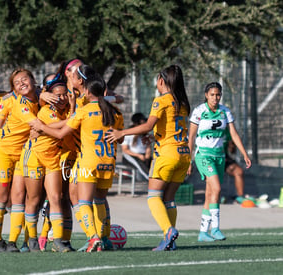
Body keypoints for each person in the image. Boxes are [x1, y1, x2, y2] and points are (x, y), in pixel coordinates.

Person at [30, 72, 124, 252]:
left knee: (84, 202)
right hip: (108, 162)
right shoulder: (115, 112)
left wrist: (41, 127)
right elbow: (119, 139)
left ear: (88, 91)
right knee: (101, 200)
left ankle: (93, 238)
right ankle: (104, 238)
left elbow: (60, 133)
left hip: (88, 163)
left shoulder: (83, 111)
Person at [106, 64, 191, 251]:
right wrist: (155, 137)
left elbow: (147, 125)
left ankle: (169, 231)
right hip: (183, 155)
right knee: (169, 198)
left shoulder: (161, 100)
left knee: (153, 197)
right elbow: (173, 128)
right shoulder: (182, 102)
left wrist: (122, 133)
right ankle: (171, 240)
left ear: (161, 80)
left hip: (167, 155)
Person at [187, 82, 251, 242]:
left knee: (210, 194)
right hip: (204, 156)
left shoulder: (225, 111)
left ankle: (203, 232)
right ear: (206, 95)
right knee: (217, 188)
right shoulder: (199, 111)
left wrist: (244, 154)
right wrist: (188, 159)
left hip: (219, 157)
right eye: (212, 94)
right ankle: (215, 228)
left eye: (218, 95)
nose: (215, 98)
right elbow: (191, 137)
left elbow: (234, 135)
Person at [0, 68, 39, 252]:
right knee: (1, 196)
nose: (22, 84)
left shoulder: (40, 96)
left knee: (18, 198)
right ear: (13, 89)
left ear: (33, 80)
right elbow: (37, 125)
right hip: (1, 151)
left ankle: (12, 242)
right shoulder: (16, 102)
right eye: (17, 83)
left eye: (25, 79)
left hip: (22, 154)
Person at [20, 78, 75, 252]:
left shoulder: (68, 110)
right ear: (50, 96)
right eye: (56, 95)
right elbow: (59, 131)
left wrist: (73, 111)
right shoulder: (46, 110)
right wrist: (75, 115)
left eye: (64, 95)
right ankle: (30, 239)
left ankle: (58, 240)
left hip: (53, 158)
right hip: (34, 156)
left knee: (56, 197)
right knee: (34, 199)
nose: (61, 99)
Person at [121, 113, 152, 181]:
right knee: (139, 164)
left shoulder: (145, 133)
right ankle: (150, 179)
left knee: (154, 163)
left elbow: (148, 148)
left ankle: (159, 180)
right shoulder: (128, 133)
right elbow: (125, 150)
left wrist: (147, 157)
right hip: (131, 156)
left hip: (143, 156)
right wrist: (138, 155)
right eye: (142, 121)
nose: (145, 124)